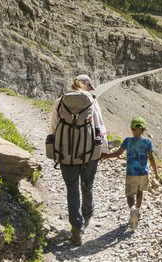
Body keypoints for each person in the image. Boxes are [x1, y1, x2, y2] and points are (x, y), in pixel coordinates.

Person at [49, 74, 108, 246]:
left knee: (72, 188)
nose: (90, 90)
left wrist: (55, 151)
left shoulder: (60, 101)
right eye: (89, 87)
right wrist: (103, 149)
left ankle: (76, 229)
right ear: (85, 85)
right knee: (87, 184)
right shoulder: (92, 102)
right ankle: (87, 215)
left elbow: (53, 127)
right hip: (89, 152)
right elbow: (100, 126)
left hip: (65, 152)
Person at [101, 116, 160, 229]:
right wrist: (156, 173)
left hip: (131, 172)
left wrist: (105, 156)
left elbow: (118, 153)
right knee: (140, 191)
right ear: (144, 129)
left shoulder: (128, 141)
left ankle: (132, 209)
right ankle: (138, 210)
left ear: (132, 129)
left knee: (130, 194)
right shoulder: (148, 142)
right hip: (144, 173)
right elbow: (152, 158)